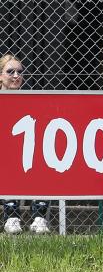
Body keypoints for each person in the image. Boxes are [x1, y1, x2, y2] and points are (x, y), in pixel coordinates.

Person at [1, 54, 51, 235]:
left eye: (20, 72)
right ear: (0, 76)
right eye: (10, 72)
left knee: (43, 159)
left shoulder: (29, 100)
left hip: (27, 153)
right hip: (6, 154)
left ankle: (39, 216)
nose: (16, 76)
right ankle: (11, 215)